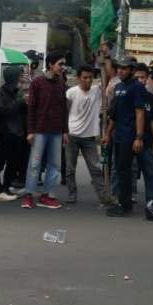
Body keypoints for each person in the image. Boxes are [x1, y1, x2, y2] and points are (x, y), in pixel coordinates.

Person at [104, 56, 153, 221]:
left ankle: (152, 204)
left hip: (137, 138)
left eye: (124, 68)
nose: (120, 70)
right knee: (122, 171)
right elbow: (113, 115)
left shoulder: (137, 88)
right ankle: (124, 204)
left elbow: (140, 112)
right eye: (119, 67)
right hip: (121, 137)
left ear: (132, 70)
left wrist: (139, 137)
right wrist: (107, 134)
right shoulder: (118, 87)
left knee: (149, 171)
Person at [20, 52, 68, 210]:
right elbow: (31, 108)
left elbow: (64, 109)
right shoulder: (37, 82)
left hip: (56, 131)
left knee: (54, 165)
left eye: (63, 64)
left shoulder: (61, 83)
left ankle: (47, 195)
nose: (63, 67)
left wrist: (65, 131)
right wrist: (30, 131)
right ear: (50, 64)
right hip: (39, 130)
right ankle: (28, 195)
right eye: (60, 64)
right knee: (35, 164)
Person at [64, 65, 105, 204]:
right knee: (70, 168)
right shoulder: (71, 92)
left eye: (90, 78)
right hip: (72, 135)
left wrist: (105, 58)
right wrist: (65, 131)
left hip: (89, 138)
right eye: (85, 78)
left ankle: (103, 197)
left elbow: (108, 77)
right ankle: (72, 194)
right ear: (78, 78)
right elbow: (65, 112)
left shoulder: (96, 91)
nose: (87, 80)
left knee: (96, 168)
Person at [0, 66, 25, 202]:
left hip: (18, 133)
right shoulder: (0, 93)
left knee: (14, 163)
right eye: (20, 76)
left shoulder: (19, 92)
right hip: (4, 134)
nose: (22, 78)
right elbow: (0, 112)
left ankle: (6, 187)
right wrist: (19, 103)